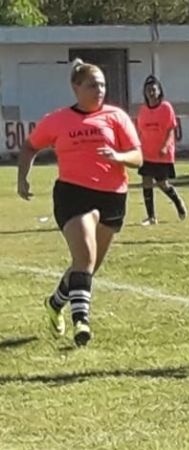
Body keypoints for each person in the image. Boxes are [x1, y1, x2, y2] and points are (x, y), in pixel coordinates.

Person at [16, 59, 143, 346]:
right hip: (73, 194)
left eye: (102, 85)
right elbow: (29, 146)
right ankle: (81, 322)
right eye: (92, 84)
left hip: (113, 195)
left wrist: (118, 156)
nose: (99, 90)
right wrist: (23, 177)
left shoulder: (116, 117)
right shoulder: (57, 119)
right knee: (84, 257)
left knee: (86, 266)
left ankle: (54, 303)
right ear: (76, 87)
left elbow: (138, 157)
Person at [136, 75, 187, 226]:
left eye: (153, 89)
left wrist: (165, 146)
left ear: (159, 91)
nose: (151, 92)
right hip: (146, 152)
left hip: (162, 154)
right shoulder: (143, 110)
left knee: (162, 183)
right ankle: (151, 217)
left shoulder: (166, 108)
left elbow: (171, 129)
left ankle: (178, 202)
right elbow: (140, 130)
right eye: (148, 90)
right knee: (146, 181)